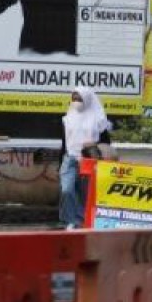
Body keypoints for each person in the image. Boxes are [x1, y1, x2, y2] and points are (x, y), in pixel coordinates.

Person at [59, 86, 111, 230]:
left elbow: (106, 143)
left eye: (79, 98)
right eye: (74, 98)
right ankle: (69, 219)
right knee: (67, 190)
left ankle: (79, 222)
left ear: (87, 99)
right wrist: (60, 163)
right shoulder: (67, 119)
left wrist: (93, 145)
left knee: (84, 194)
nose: (76, 101)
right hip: (69, 159)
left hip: (88, 161)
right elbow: (64, 143)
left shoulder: (98, 120)